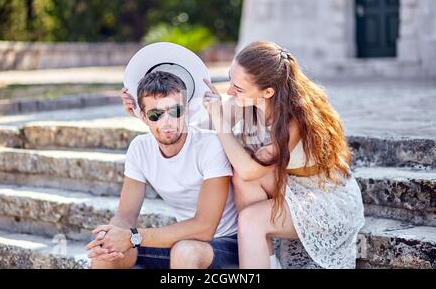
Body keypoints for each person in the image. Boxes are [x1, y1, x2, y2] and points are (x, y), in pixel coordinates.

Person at [122, 41, 365, 269]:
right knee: (241, 181)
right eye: (230, 80)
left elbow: (250, 169)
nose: (230, 91)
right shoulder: (245, 102)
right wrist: (145, 114)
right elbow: (190, 128)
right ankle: (266, 258)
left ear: (267, 92)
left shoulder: (295, 120)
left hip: (322, 196)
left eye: (237, 87)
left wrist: (219, 118)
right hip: (285, 185)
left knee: (249, 213)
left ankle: (262, 258)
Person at [86, 70, 239, 269]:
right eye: (156, 114)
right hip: (182, 242)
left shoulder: (209, 145)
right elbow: (125, 216)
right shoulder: (140, 148)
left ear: (186, 111)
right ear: (143, 116)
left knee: (185, 252)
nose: (166, 122)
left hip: (226, 243)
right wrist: (109, 238)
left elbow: (205, 227)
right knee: (106, 255)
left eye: (175, 111)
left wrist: (134, 237)